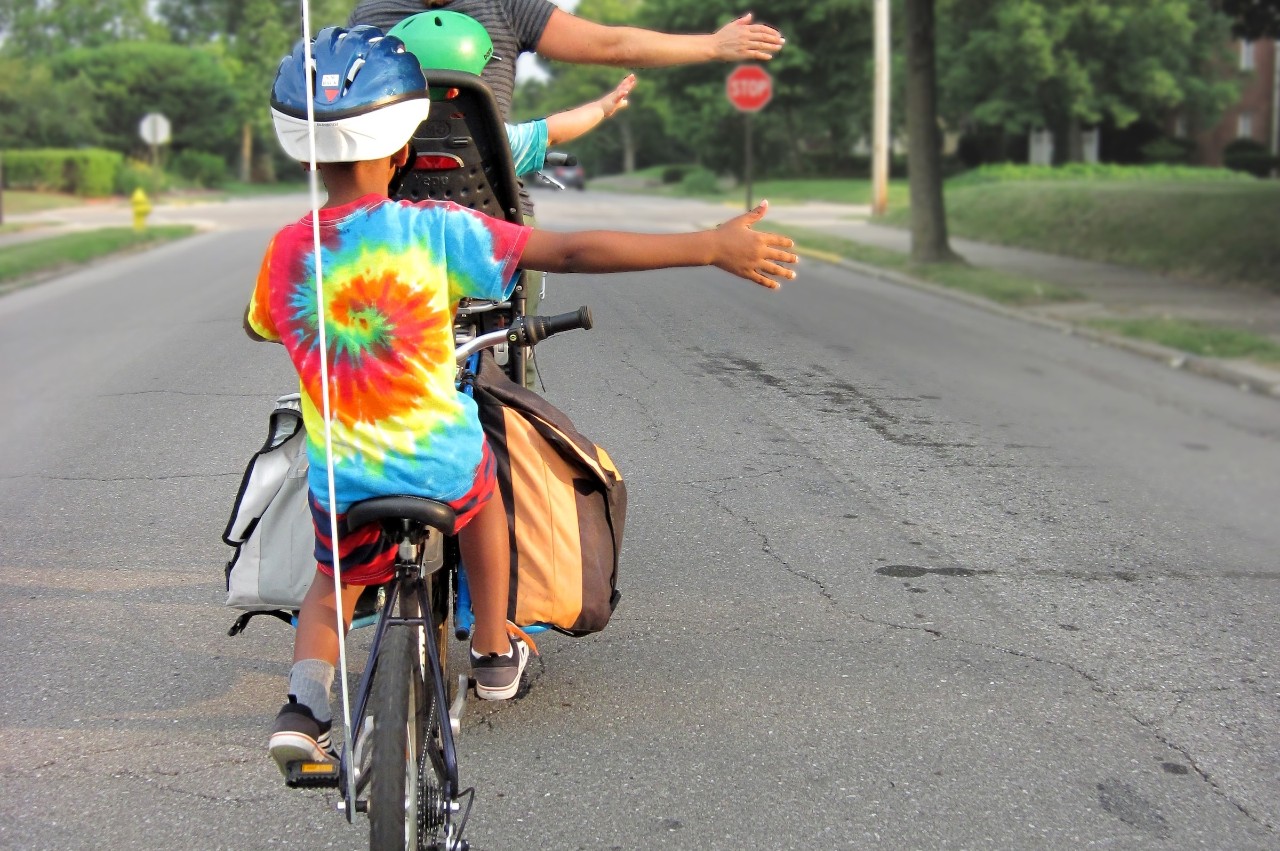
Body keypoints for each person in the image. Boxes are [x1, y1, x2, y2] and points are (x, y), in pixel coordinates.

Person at [251, 25, 797, 772]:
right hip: (438, 464)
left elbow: (261, 325)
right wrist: (708, 244)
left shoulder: (287, 252)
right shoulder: (435, 231)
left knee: (331, 586)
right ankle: (494, 649)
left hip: (342, 477)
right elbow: (569, 251)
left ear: (308, 152)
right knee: (485, 505)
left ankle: (303, 711)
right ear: (406, 150)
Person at [387, 9, 636, 178]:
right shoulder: (492, 138)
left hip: (397, 252)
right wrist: (601, 108)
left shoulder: (383, 139)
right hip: (484, 251)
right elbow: (554, 131)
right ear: (459, 86)